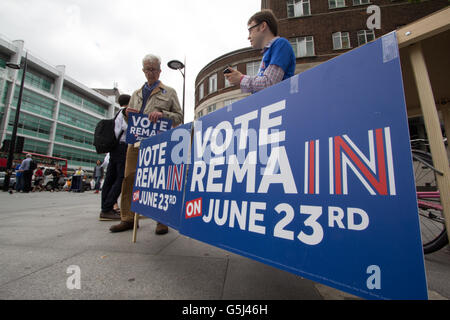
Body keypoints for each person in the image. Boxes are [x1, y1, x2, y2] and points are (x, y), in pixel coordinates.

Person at [109, 54, 183, 234]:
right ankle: (127, 218)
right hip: (135, 143)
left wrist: (163, 114)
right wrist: (127, 113)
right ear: (143, 71)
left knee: (158, 180)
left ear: (159, 71)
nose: (150, 73)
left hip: (158, 143)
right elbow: (130, 119)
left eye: (154, 69)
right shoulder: (135, 94)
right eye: (147, 69)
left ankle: (161, 220)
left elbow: (179, 117)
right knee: (129, 179)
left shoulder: (169, 92)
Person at [224, 9, 296, 94]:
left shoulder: (281, 44)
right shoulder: (268, 52)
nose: (248, 37)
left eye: (250, 30)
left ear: (262, 26)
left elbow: (269, 83)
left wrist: (241, 78)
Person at [99, 94, 130, 221]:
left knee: (110, 179)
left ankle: (105, 209)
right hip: (122, 147)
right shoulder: (126, 113)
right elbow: (126, 128)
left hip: (114, 149)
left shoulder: (117, 113)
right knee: (121, 178)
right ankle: (107, 207)